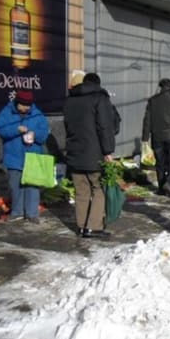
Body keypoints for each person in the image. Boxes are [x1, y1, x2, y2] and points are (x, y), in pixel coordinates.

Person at [63, 72, 117, 238]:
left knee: (81, 191)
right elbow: (104, 127)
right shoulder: (99, 98)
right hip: (94, 154)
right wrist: (108, 151)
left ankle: (81, 226)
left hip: (74, 153)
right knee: (98, 188)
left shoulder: (69, 100)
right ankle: (93, 226)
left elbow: (67, 127)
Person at [0, 90, 49, 224]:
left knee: (32, 186)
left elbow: (44, 134)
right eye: (22, 105)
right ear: (16, 102)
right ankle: (17, 212)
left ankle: (32, 213)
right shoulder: (6, 112)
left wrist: (34, 134)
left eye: (28, 105)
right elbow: (1, 130)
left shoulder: (38, 115)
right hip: (14, 156)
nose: (25, 108)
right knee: (15, 185)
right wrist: (16, 129)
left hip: (33, 156)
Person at [142, 78, 170, 196]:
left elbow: (147, 120)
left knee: (159, 163)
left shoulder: (152, 101)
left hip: (157, 136)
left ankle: (161, 187)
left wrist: (145, 137)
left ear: (160, 87)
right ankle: (169, 183)